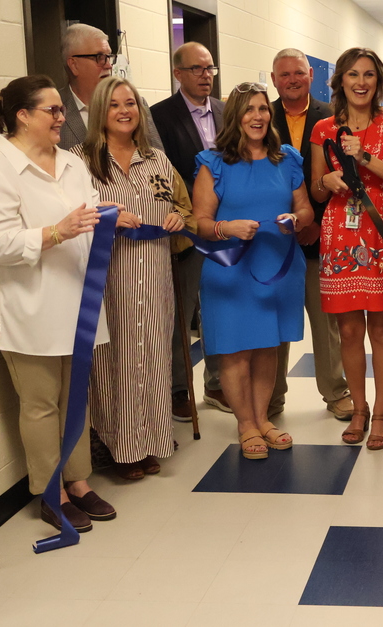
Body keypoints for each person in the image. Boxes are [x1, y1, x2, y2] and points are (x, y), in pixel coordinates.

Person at [0, 74, 117, 532]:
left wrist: (107, 217)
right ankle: (51, 493)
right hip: (27, 309)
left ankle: (79, 482)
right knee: (41, 405)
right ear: (22, 116)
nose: (61, 117)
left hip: (78, 301)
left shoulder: (71, 162)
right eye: (52, 110)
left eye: (60, 110)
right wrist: (57, 232)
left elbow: (89, 210)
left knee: (76, 400)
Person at [74, 77, 189, 481]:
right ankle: (119, 447)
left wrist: (178, 218)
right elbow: (71, 214)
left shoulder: (156, 160)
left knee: (153, 357)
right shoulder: (79, 161)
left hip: (155, 278)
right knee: (114, 362)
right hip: (108, 279)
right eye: (114, 105)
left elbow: (180, 206)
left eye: (131, 104)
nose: (124, 112)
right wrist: (107, 216)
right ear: (99, 112)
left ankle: (151, 440)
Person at [192, 82, 313, 459]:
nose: (257, 116)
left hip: (277, 267)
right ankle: (245, 424)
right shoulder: (213, 163)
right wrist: (226, 228)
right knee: (234, 351)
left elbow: (306, 209)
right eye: (249, 110)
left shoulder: (287, 158)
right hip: (230, 271)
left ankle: (263, 419)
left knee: (266, 346)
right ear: (235, 117)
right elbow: (199, 221)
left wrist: (296, 219)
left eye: (263, 109)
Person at [310, 47, 383, 450]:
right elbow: (316, 189)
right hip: (341, 231)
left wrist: (366, 156)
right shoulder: (323, 128)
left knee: (382, 329)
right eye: (353, 74)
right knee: (349, 330)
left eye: (369, 74)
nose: (360, 82)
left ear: (379, 82)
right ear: (340, 80)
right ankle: (359, 409)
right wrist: (327, 181)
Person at [269, 48, 353, 421]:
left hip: (320, 237)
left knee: (325, 321)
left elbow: (342, 174)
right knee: (275, 322)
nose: (292, 80)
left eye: (299, 73)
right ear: (274, 79)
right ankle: (271, 397)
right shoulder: (261, 116)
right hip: (273, 242)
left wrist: (314, 222)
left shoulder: (332, 118)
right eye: (285, 74)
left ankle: (335, 392)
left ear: (311, 76)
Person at [150, 41, 226, 422]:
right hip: (185, 230)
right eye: (197, 69)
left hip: (223, 228)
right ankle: (180, 388)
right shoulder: (159, 116)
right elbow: (160, 172)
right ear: (178, 73)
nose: (205, 75)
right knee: (182, 310)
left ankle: (217, 382)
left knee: (218, 306)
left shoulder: (226, 111)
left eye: (210, 68)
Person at [58, 23, 163, 152]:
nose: (108, 65)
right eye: (99, 57)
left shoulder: (136, 104)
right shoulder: (55, 110)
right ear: (74, 65)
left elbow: (156, 156)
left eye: (109, 57)